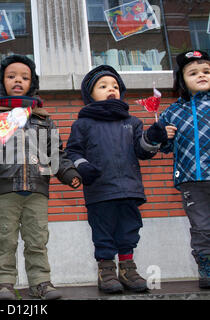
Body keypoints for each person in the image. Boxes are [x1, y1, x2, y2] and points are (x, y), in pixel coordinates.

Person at [0, 54, 81, 300]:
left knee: (37, 239)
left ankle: (41, 283)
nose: (17, 80)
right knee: (6, 239)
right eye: (11, 76)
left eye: (24, 77)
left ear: (32, 83)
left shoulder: (43, 119)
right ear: (1, 81)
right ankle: (4, 284)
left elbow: (56, 153)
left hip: (38, 188)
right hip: (4, 189)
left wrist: (69, 173)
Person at [65, 65, 170, 293]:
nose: (110, 89)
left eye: (114, 86)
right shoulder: (83, 124)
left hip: (129, 188)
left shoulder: (132, 122)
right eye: (102, 86)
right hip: (100, 190)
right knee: (103, 232)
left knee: (129, 229)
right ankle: (106, 270)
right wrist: (83, 167)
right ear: (89, 94)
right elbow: (72, 152)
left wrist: (152, 138)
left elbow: (142, 150)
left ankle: (127, 268)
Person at [158, 50, 210, 289]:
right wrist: (160, 135)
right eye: (193, 73)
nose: (201, 75)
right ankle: (206, 268)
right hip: (192, 180)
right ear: (182, 81)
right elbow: (161, 147)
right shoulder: (172, 112)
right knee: (201, 228)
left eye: (206, 71)